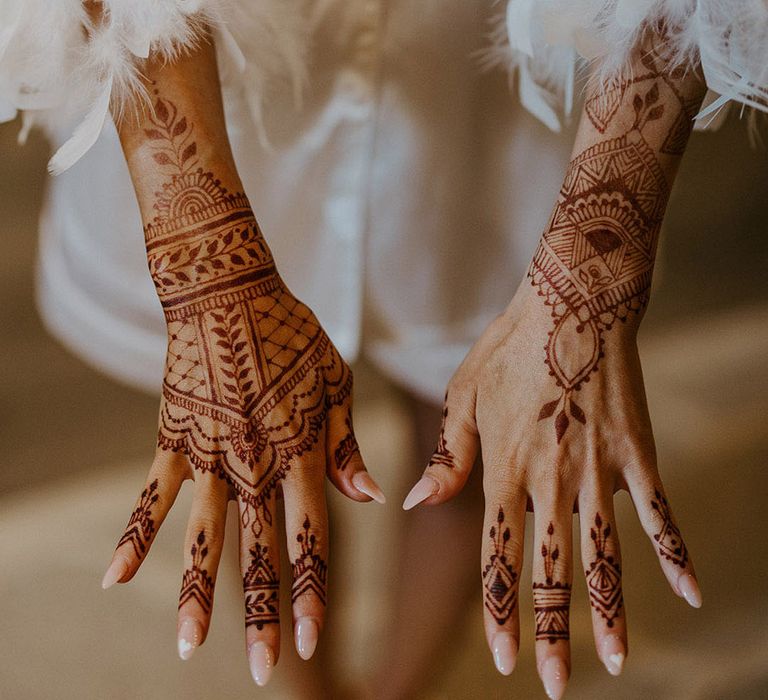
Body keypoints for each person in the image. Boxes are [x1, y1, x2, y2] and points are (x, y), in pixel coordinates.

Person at [1, 2, 765, 698]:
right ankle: (311, 693)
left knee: (473, 421)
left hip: (488, 56)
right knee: (254, 430)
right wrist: (205, 266)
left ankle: (401, 691)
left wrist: (592, 276)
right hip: (218, 63)